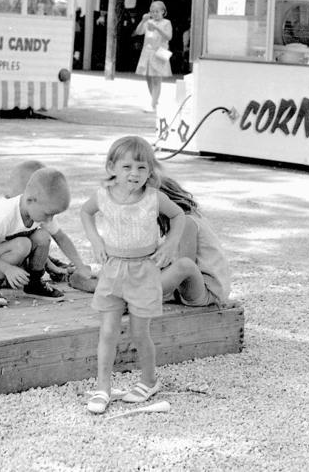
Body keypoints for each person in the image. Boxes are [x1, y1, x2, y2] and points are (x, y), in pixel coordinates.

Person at [79, 136, 185, 414]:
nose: (134, 174)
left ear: (150, 171)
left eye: (141, 168)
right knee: (108, 331)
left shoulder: (154, 198)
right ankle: (103, 386)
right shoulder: (103, 196)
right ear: (112, 167)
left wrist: (171, 244)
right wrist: (95, 241)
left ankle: (149, 381)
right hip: (112, 269)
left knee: (140, 333)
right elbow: (85, 213)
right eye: (127, 167)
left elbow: (179, 217)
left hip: (143, 270)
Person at [0, 167, 87, 303]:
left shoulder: (39, 211)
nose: (50, 220)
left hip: (10, 265)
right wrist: (8, 269)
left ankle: (34, 284)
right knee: (22, 244)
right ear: (30, 200)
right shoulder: (5, 214)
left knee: (42, 236)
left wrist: (80, 266)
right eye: (48, 214)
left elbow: (61, 238)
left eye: (53, 215)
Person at [157, 176, 232, 308]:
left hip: (206, 292)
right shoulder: (186, 219)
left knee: (184, 265)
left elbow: (186, 265)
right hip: (200, 287)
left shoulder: (187, 222)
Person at [134, 0, 173, 112]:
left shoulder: (167, 22)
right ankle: (155, 101)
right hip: (147, 51)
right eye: (152, 12)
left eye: (157, 11)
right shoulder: (148, 22)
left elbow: (168, 37)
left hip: (161, 51)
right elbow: (138, 31)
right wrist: (143, 20)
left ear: (163, 11)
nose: (154, 14)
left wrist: (158, 28)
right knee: (148, 77)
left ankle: (153, 105)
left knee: (157, 79)